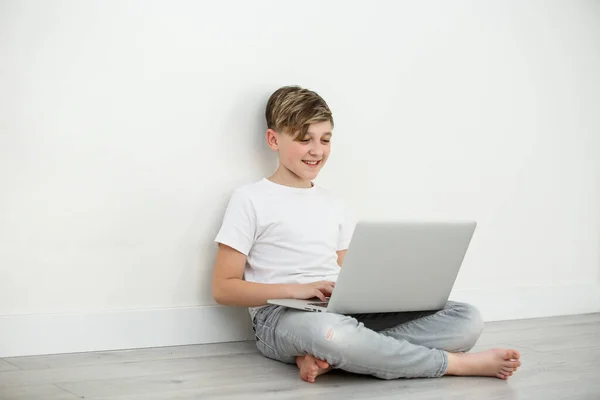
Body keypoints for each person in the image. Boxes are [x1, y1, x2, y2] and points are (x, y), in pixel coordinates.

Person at [212, 86, 521, 383]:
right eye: (305, 139)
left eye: (325, 139)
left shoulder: (334, 203)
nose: (317, 151)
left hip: (337, 310)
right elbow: (224, 289)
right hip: (279, 316)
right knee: (332, 334)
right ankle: (452, 364)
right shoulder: (250, 199)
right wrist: (297, 290)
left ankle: (336, 356)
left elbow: (354, 271)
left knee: (467, 319)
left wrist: (396, 292)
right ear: (273, 139)